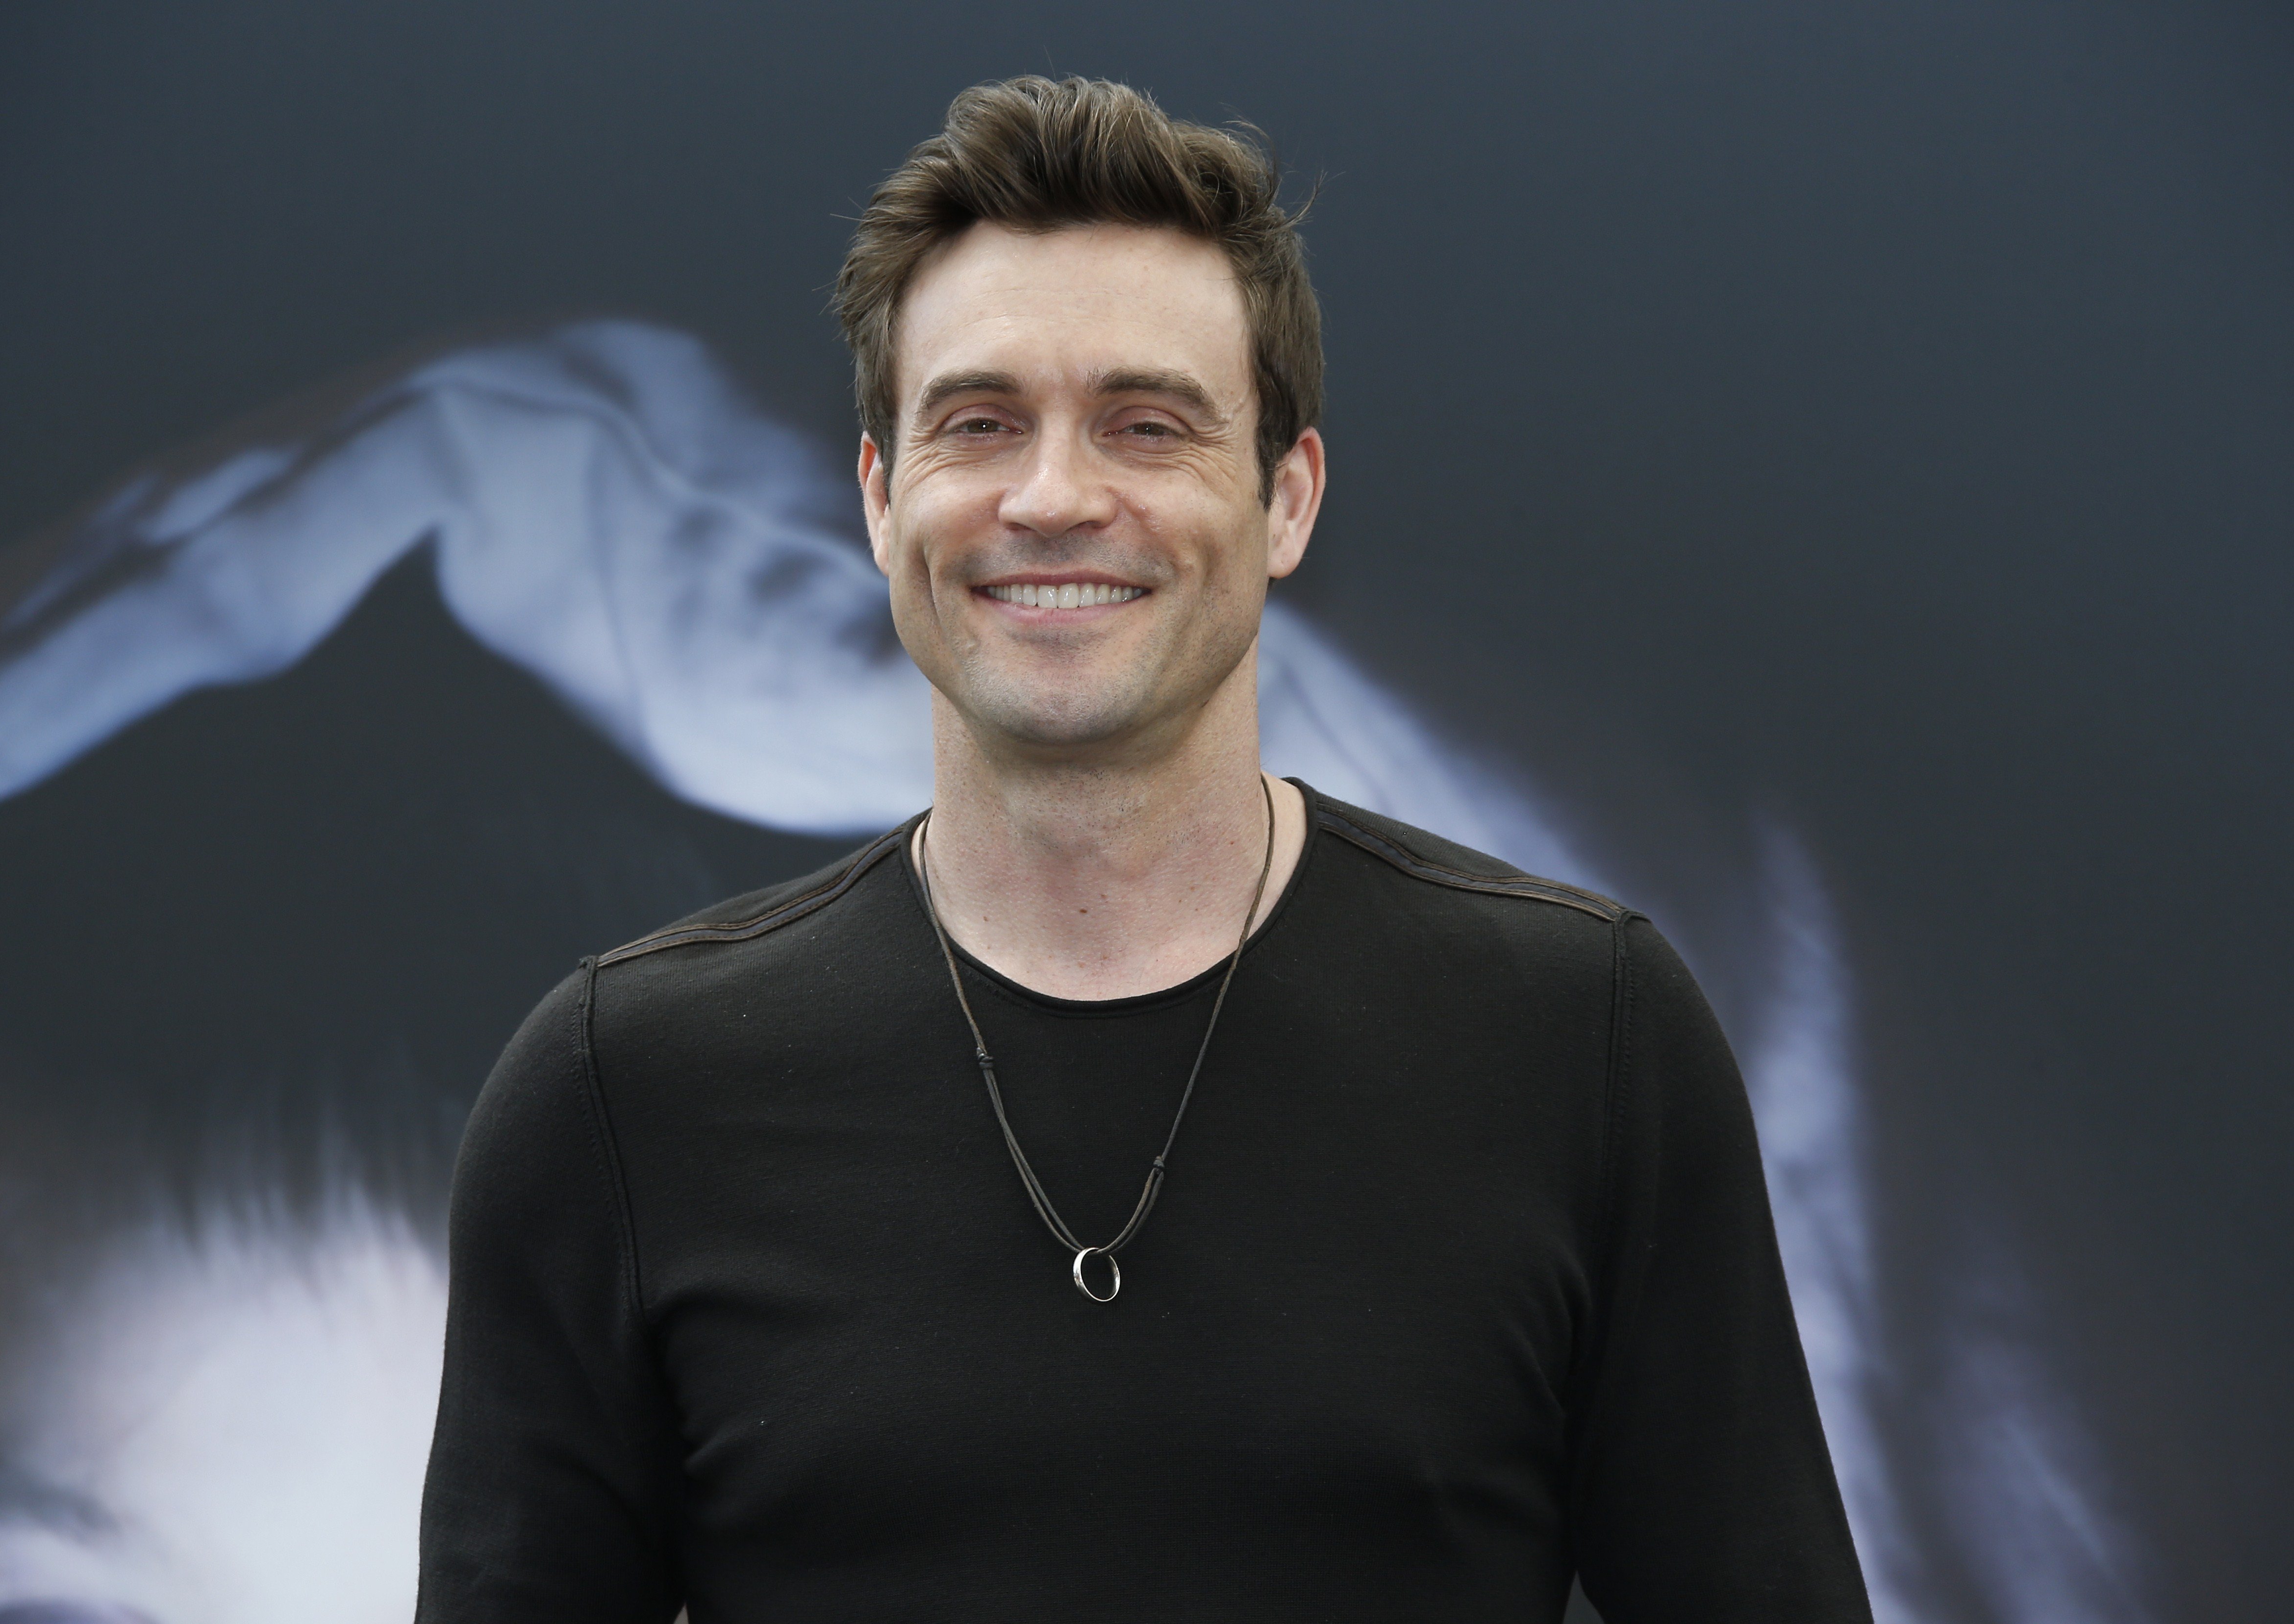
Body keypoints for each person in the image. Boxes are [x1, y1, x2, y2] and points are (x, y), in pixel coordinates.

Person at [417, 76, 1872, 1623]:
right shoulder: (619, 1094)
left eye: (1147, 423)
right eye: (979, 423)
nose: (1053, 496)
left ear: (1287, 498)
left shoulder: (1587, 1039)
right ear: (879, 499)